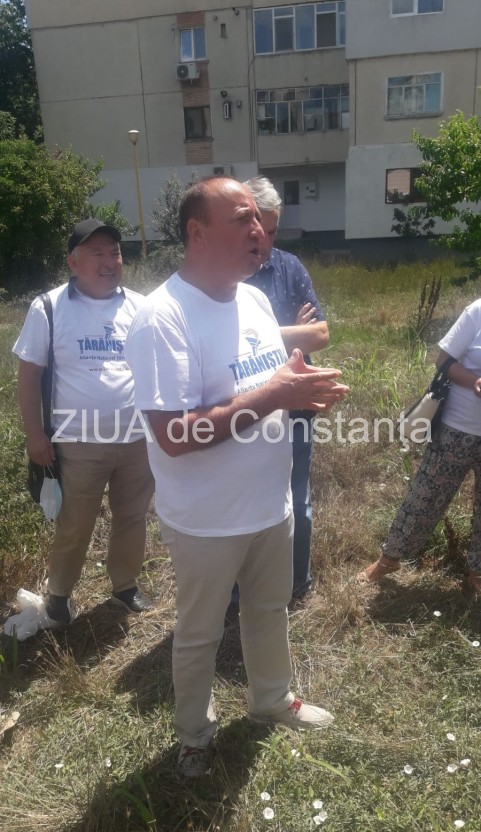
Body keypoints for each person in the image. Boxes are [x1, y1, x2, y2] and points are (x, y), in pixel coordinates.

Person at [125, 177, 349, 777]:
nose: (259, 230)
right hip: (206, 519)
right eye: (242, 219)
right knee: (199, 632)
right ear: (197, 233)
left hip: (270, 502)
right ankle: (195, 736)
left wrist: (298, 388)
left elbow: (263, 385)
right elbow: (175, 435)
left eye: (259, 219)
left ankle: (271, 700)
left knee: (268, 609)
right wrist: (277, 394)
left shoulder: (252, 301)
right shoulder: (162, 317)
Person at [13, 218, 155, 625]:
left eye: (115, 252)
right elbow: (29, 375)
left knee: (132, 517)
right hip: (77, 441)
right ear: (73, 262)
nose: (110, 261)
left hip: (137, 439)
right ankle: (59, 596)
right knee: (75, 524)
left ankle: (125, 585)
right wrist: (35, 435)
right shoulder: (49, 307)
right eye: (98, 253)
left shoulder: (141, 307)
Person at [243, 176, 329, 603]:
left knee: (298, 494)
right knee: (245, 499)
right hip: (244, 410)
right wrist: (290, 331)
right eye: (259, 228)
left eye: (273, 231)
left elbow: (321, 335)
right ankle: (245, 591)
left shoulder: (289, 267)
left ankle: (298, 583)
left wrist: (257, 337)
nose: (265, 240)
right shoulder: (225, 276)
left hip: (295, 407)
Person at [358, 298, 481, 594]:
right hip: (458, 429)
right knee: (425, 496)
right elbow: (444, 361)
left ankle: (477, 572)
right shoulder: (477, 312)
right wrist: (476, 381)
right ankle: (389, 559)